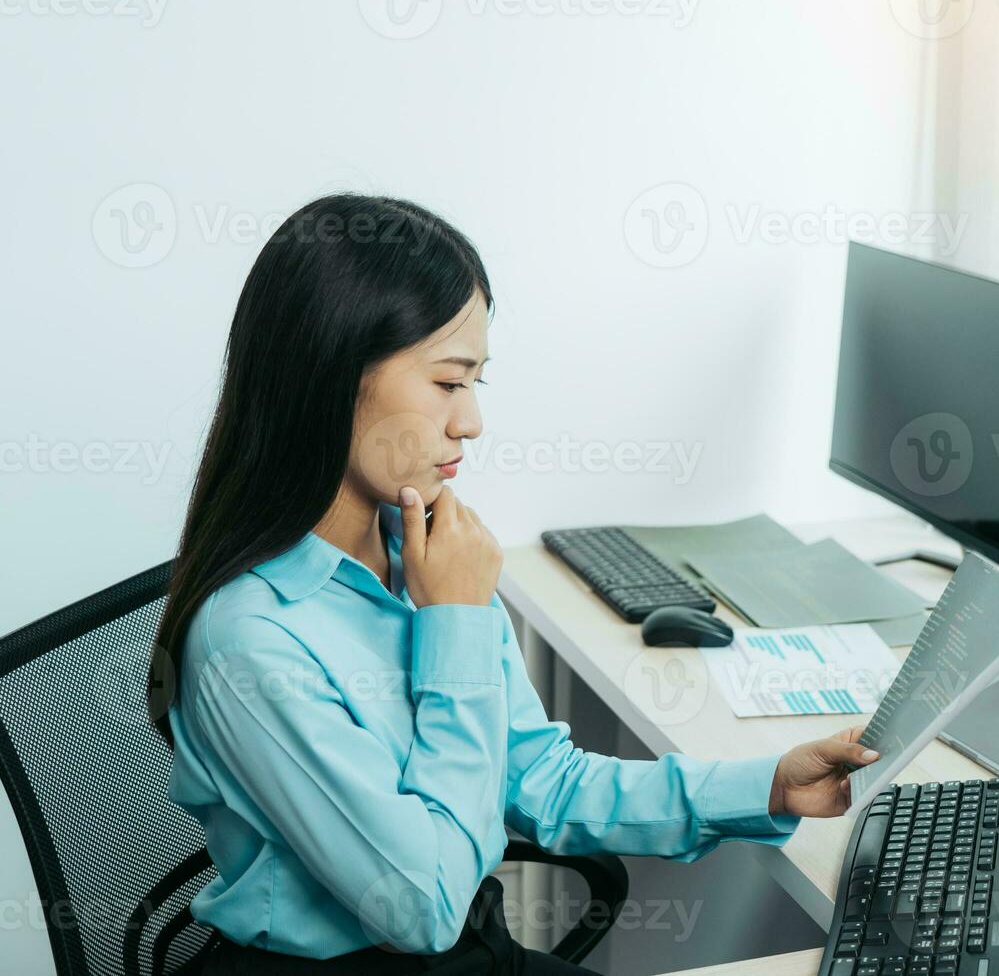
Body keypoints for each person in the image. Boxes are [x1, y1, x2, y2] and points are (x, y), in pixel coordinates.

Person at [147, 194, 883, 974]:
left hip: (473, 952)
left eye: (477, 385)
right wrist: (456, 624)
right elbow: (420, 906)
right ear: (333, 375)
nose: (471, 423)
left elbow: (542, 781)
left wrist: (766, 785)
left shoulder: (425, 554)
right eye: (448, 383)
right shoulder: (251, 640)